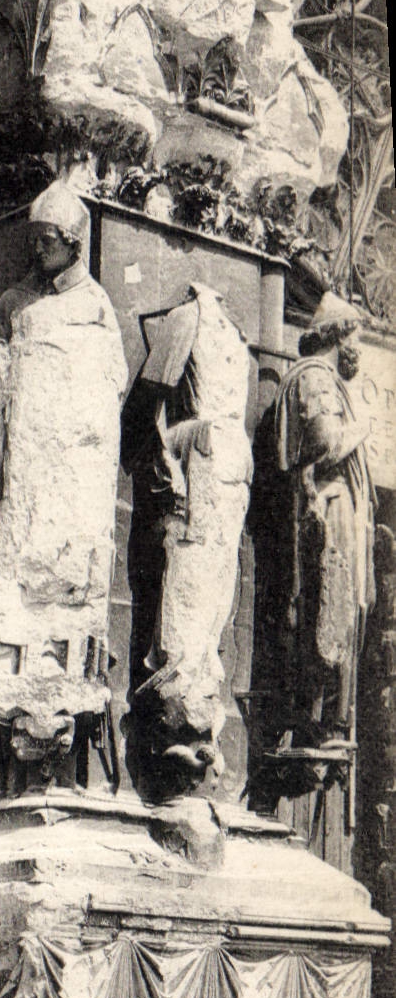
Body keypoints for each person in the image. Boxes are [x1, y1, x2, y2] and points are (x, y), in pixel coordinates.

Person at [0, 179, 128, 774]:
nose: (38, 249)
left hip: (74, 468)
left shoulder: (96, 305)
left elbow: (111, 382)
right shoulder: (14, 302)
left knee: (66, 566)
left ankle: (65, 684)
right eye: (35, 239)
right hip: (27, 465)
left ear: (74, 242)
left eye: (49, 240)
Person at [121, 283, 253, 796]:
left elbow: (145, 404)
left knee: (199, 603)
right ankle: (184, 723)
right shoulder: (222, 330)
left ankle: (186, 721)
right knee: (198, 603)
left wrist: (149, 461)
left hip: (210, 476)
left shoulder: (197, 321)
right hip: (216, 474)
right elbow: (149, 403)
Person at [272, 293, 376, 750]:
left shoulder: (329, 381)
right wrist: (362, 429)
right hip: (329, 508)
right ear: (338, 335)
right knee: (330, 608)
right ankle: (321, 719)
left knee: (343, 610)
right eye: (355, 337)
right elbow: (325, 444)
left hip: (337, 508)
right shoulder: (316, 378)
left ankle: (331, 717)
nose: (358, 348)